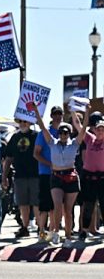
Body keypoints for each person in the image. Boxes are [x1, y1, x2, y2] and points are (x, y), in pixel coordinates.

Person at [31, 103, 88, 247]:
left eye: (66, 132)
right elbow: (43, 127)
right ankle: (55, 232)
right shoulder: (53, 143)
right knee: (57, 206)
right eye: (61, 132)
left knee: (68, 211)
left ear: (69, 133)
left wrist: (87, 112)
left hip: (71, 177)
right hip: (56, 177)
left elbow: (83, 129)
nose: (63, 135)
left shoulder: (74, 144)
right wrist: (36, 110)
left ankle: (68, 237)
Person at [3, 119, 40, 238]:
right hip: (19, 175)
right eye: (20, 122)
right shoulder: (14, 137)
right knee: (22, 203)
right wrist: (4, 176)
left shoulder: (36, 136)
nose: (23, 124)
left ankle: (41, 227)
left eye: (25, 121)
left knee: (37, 203)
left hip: (35, 174)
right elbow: (8, 158)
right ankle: (25, 227)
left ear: (30, 123)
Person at [33, 105, 63, 242]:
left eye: (60, 114)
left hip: (61, 174)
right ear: (51, 116)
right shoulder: (43, 133)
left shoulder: (64, 132)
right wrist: (50, 164)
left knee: (56, 206)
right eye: (55, 114)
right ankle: (41, 233)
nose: (57, 116)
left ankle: (52, 232)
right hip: (45, 174)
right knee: (44, 206)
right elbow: (36, 154)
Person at [80, 116, 104, 240]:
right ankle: (84, 231)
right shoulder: (90, 139)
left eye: (103, 129)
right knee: (88, 206)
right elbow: (79, 127)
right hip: (89, 178)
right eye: (98, 129)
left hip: (102, 178)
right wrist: (73, 113)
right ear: (94, 129)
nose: (100, 131)